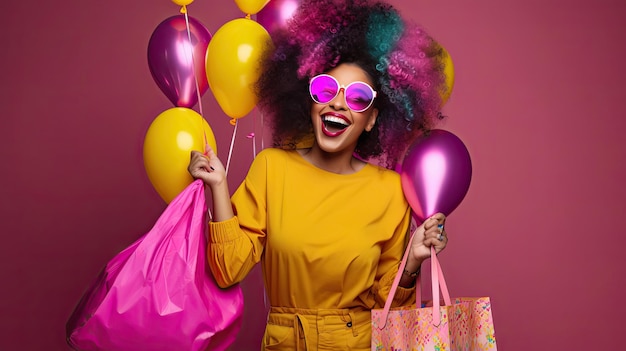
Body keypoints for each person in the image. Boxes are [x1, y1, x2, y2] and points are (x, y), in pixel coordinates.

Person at [188, 0, 450, 349]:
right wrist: (218, 185)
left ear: (373, 119)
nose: (338, 103)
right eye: (326, 89)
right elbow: (226, 270)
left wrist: (413, 259)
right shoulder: (272, 168)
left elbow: (387, 306)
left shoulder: (392, 191)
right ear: (308, 101)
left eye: (358, 97)